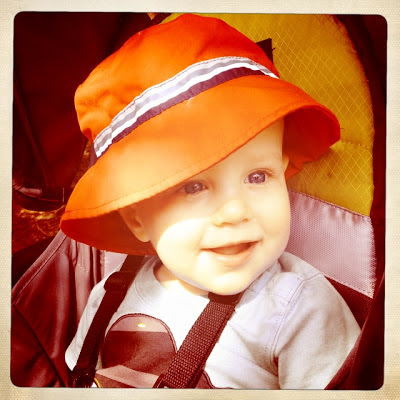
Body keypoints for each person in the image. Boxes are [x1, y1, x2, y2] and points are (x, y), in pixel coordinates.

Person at [60, 13, 360, 389]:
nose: (235, 211)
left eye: (257, 176)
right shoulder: (110, 292)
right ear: (136, 218)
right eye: (193, 187)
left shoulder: (299, 309)